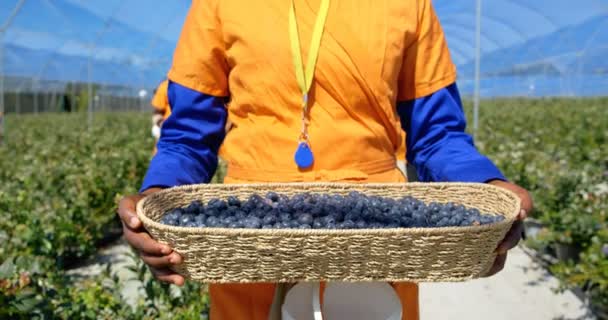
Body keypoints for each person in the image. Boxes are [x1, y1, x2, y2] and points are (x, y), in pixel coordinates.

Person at [118, 0, 533, 319]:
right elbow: (189, 136)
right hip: (246, 240)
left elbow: (437, 134)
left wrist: (487, 187)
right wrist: (156, 198)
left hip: (378, 237)